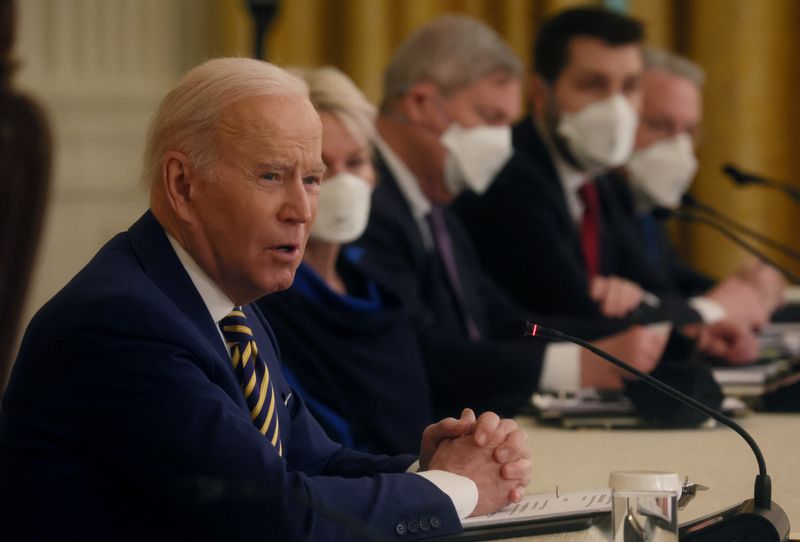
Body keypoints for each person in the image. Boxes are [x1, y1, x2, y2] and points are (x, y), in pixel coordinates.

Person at [0, 58, 532, 541]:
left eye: (312, 179)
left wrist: (427, 467)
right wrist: (457, 487)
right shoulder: (121, 321)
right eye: (271, 176)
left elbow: (312, 462)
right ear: (183, 185)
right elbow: (273, 518)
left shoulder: (228, 303)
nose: (301, 210)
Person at [355, 14, 668, 409]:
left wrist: (611, 345)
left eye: (508, 122)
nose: (503, 142)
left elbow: (498, 318)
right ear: (419, 104)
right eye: (490, 118)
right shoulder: (364, 204)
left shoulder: (437, 206)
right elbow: (419, 351)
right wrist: (574, 365)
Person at [451, 7, 765, 363]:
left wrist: (650, 305)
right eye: (593, 85)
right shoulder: (509, 177)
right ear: (540, 94)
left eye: (629, 87)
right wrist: (708, 311)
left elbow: (652, 287)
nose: (616, 106)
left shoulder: (599, 178)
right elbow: (574, 313)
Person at [256, 66, 433, 455]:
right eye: (319, 170)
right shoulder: (265, 297)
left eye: (355, 163)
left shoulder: (375, 281)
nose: (343, 182)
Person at [613, 48, 785, 340]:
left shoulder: (649, 207)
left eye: (689, 131)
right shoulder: (597, 202)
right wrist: (720, 304)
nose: (678, 146)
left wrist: (747, 290)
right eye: (659, 126)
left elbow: (672, 282)